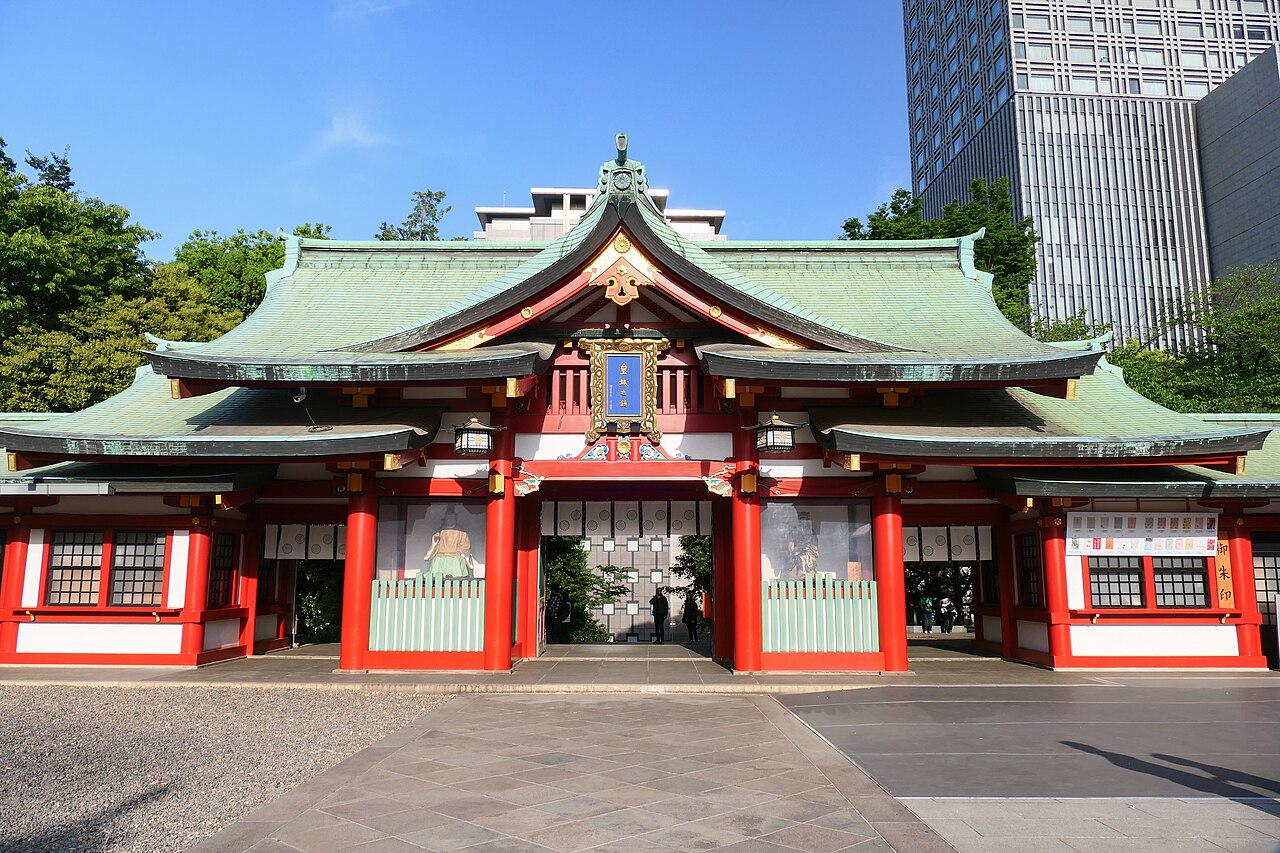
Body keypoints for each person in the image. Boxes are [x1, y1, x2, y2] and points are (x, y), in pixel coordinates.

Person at [423, 508, 473, 578]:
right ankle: (436, 578)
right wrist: (436, 538)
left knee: (457, 559)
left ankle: (457, 577)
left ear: (455, 519)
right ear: (445, 519)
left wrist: (460, 550)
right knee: (437, 559)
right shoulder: (441, 530)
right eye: (448, 518)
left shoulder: (461, 531)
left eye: (452, 518)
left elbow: (465, 544)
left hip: (455, 553)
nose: (450, 519)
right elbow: (435, 540)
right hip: (441, 553)